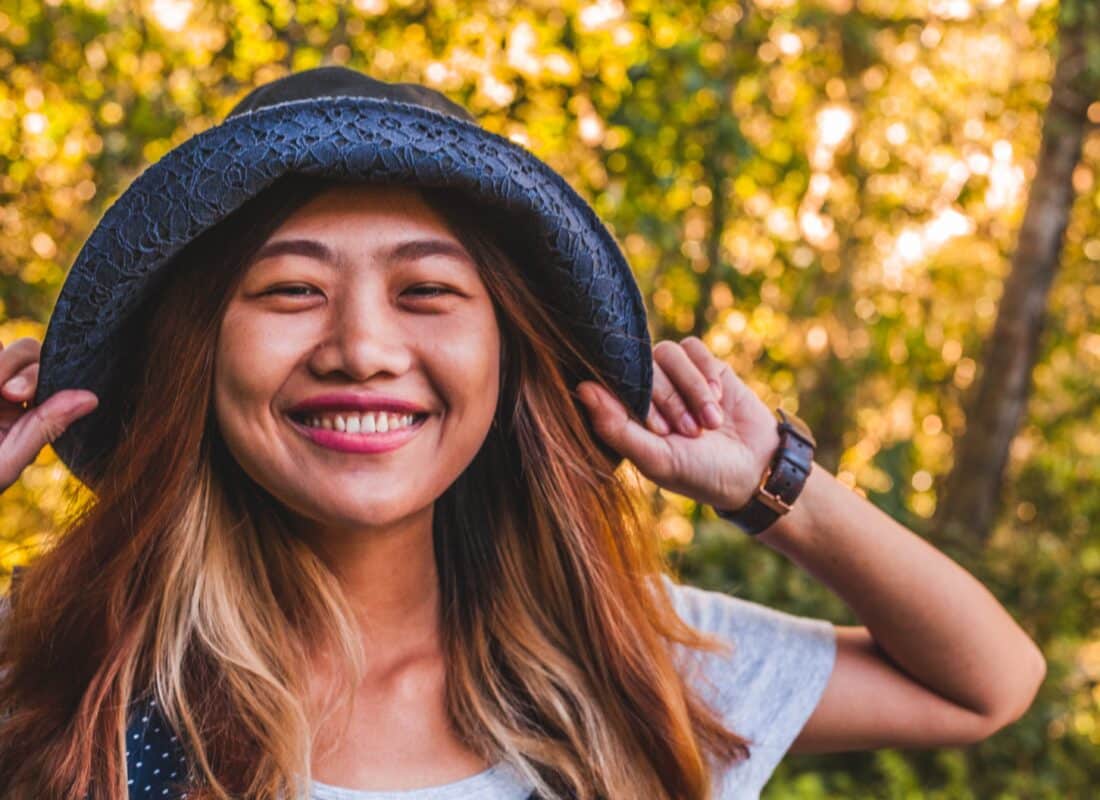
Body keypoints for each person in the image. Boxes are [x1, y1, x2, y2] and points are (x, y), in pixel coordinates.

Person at [0, 67, 1044, 800]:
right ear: (197, 355)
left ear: (503, 357)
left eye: (426, 290)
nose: (360, 346)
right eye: (289, 288)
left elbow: (982, 683)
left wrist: (770, 481)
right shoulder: (59, 662)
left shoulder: (624, 662)